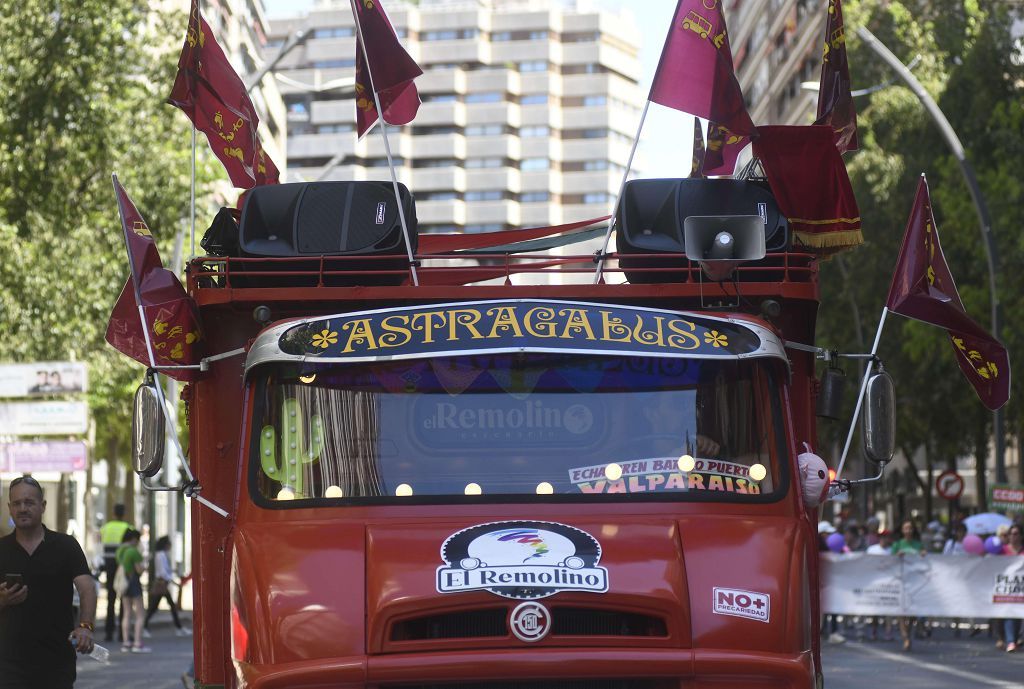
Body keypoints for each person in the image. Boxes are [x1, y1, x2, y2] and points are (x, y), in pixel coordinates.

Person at [0, 476, 97, 689]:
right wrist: (3, 600)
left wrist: (85, 626)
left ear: (43, 506)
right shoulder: (2, 549)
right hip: (9, 666)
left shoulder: (66, 545)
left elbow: (87, 588)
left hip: (56, 663)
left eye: (29, 502)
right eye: (17, 503)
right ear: (9, 507)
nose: (23, 508)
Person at [99, 503, 132, 642]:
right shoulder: (128, 528)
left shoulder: (105, 528)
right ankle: (121, 633)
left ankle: (108, 633)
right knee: (123, 600)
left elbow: (100, 546)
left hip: (109, 567)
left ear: (113, 513)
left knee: (110, 600)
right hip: (122, 567)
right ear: (124, 514)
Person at [891, 520, 926, 651]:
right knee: (901, 611)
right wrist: (897, 555)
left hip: (915, 582)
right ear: (902, 530)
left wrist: (923, 554)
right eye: (906, 528)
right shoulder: (897, 544)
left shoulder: (918, 544)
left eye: (910, 528)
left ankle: (909, 633)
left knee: (912, 611)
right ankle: (905, 637)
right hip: (901, 581)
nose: (908, 531)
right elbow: (891, 561)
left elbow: (925, 558)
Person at [144, 536, 189, 636]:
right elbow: (162, 572)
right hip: (162, 583)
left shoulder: (162, 555)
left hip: (163, 583)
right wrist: (172, 580)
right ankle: (144, 626)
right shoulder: (161, 555)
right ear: (166, 545)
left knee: (156, 607)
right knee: (158, 607)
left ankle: (178, 627)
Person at [116, 529, 150, 653]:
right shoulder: (133, 551)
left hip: (124, 584)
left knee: (126, 613)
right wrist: (144, 566)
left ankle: (126, 643)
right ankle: (137, 643)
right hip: (134, 582)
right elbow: (139, 570)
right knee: (140, 614)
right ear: (134, 539)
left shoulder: (120, 551)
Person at [1000, 524, 1023, 652]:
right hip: (1007, 588)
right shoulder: (1002, 550)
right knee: (1009, 612)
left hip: (1021, 588)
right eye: (1011, 534)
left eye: (1016, 534)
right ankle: (1010, 642)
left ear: (1021, 536)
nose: (1013, 536)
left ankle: (1014, 638)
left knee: (1018, 615)